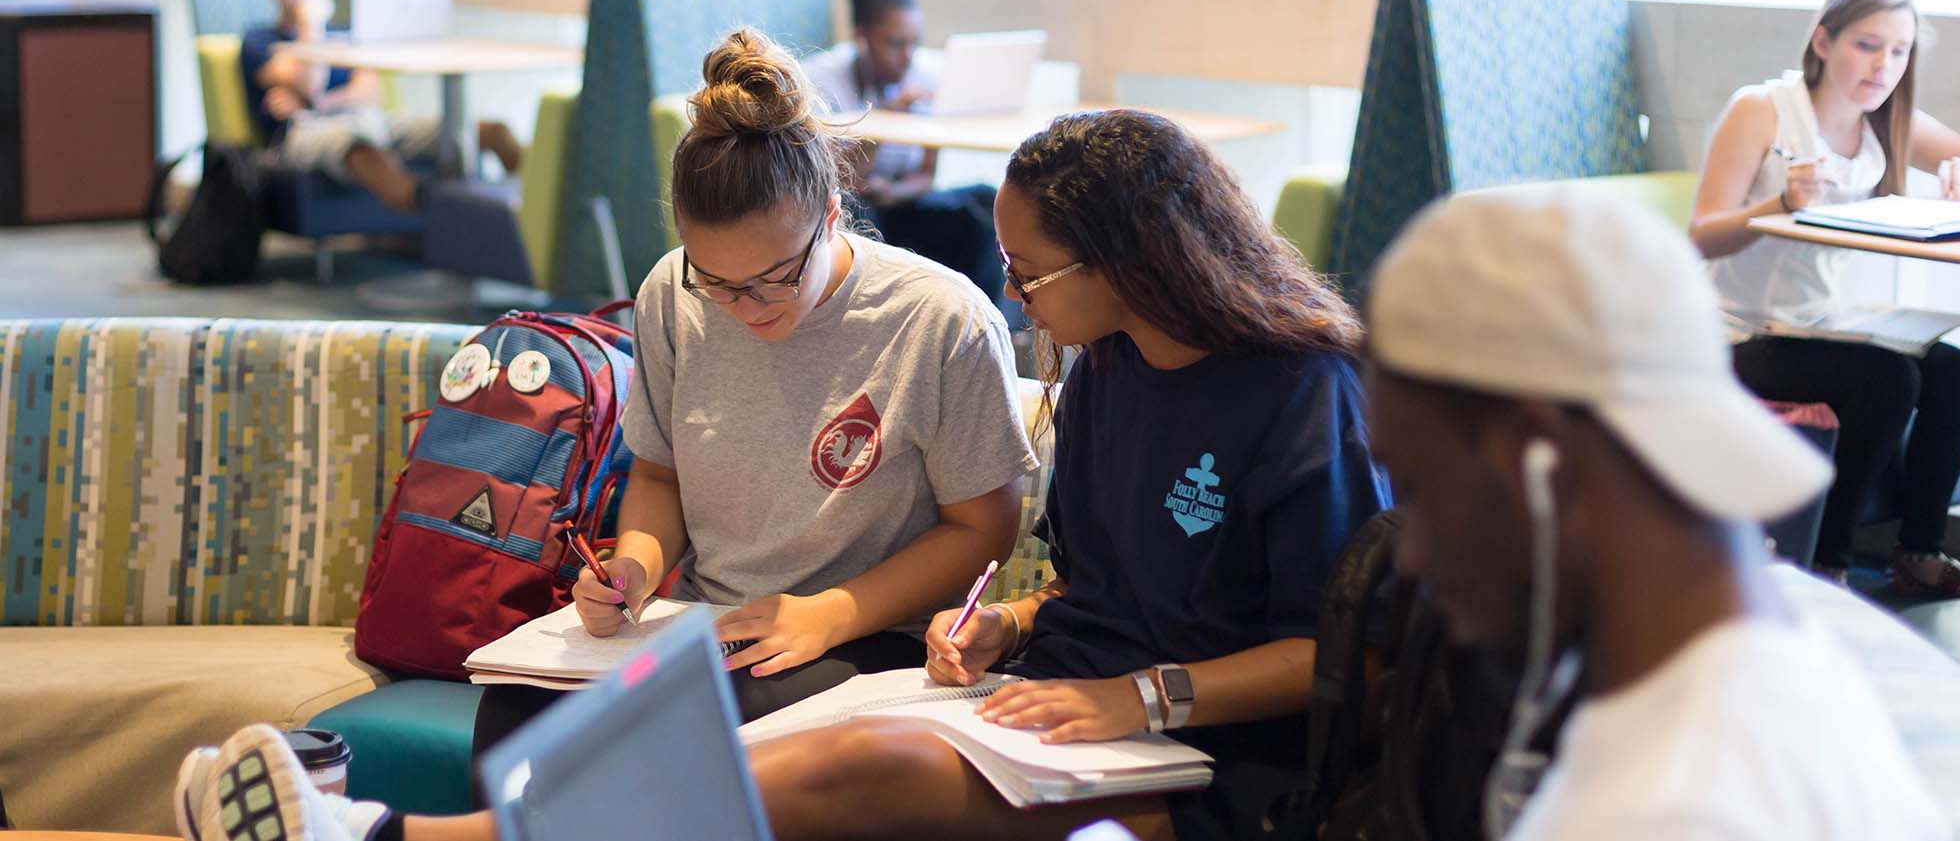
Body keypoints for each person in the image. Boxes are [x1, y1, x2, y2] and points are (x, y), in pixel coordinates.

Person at [171, 108, 1391, 841]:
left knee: (835, 760)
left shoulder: (1298, 392)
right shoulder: (1110, 362)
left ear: (1138, 257)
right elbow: (1096, 587)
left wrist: (1146, 698)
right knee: (732, 753)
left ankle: (392, 836)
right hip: (1058, 709)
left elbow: (1329, 652)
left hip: (1204, 763)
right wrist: (1010, 623)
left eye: (1031, 274)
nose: (1017, 297)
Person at [457, 25, 1034, 766]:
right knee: (515, 717)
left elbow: (982, 531)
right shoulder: (671, 290)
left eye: (774, 279)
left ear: (830, 215)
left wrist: (831, 611)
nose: (749, 309)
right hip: (704, 623)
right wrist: (631, 568)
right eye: (719, 284)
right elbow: (661, 475)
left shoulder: (941, 319)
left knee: (700, 739)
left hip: (865, 634)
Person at [1367, 187, 1949, 839]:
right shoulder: (1780, 665)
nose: (1411, 554)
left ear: (1538, 455)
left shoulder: (1666, 811)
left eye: (1416, 487)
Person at [1689, 0, 1960, 595]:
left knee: (1959, 375)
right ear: (1824, 42)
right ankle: (1824, 565)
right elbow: (1701, 236)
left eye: (1898, 51)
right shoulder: (1763, 110)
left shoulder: (1886, 120)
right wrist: (1782, 202)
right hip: (1737, 334)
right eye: (1866, 45)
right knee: (1889, 381)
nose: (1882, 67)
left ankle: (1918, 556)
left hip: (1823, 325)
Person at [803, 0, 1008, 304]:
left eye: (915, 42)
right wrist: (884, 121)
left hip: (903, 202)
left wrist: (897, 192)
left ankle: (989, 322)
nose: (908, 55)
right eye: (895, 43)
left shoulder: (924, 77)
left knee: (983, 202)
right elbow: (836, 180)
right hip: (859, 204)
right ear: (862, 37)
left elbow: (927, 175)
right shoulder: (823, 82)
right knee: (854, 209)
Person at [241, 0, 523, 210]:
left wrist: (315, 102)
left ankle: (544, 209)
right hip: (307, 132)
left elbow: (370, 92)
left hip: (369, 118)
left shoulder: (346, 36)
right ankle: (441, 220)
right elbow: (309, 80)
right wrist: (309, 23)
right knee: (364, 149)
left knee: (493, 131)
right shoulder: (259, 41)